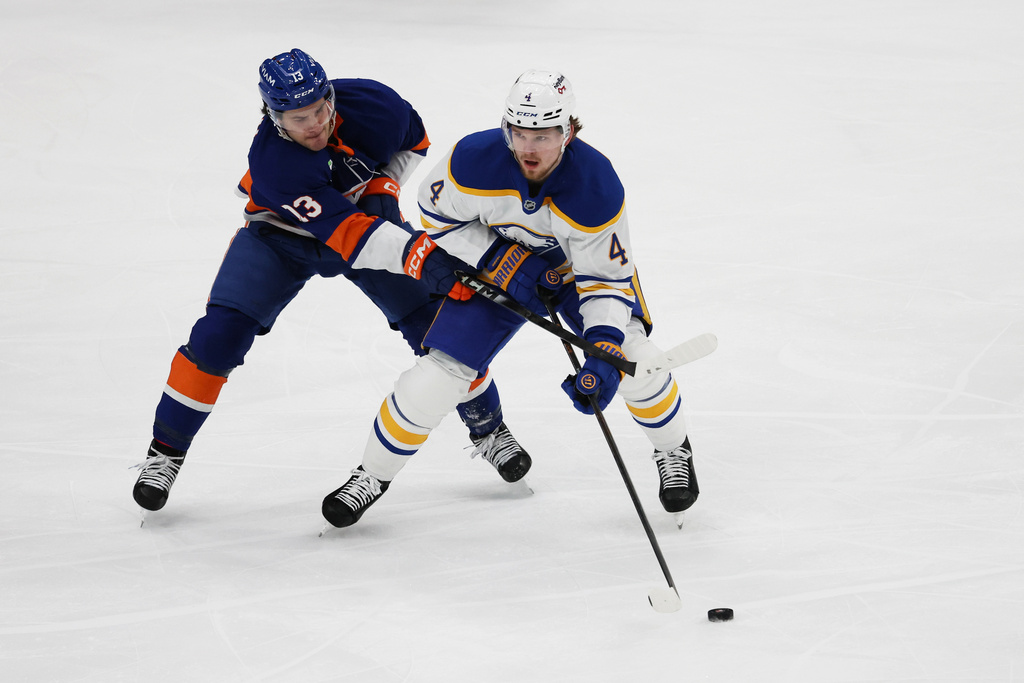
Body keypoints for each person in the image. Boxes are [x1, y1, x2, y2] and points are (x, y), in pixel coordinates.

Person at [131, 49, 532, 515]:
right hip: (280, 239)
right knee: (218, 337)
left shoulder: (373, 104)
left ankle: (489, 429)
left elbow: (414, 138)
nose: (315, 125)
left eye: (321, 109)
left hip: (363, 221)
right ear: (273, 116)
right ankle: (166, 452)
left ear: (330, 96)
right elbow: (351, 236)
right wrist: (419, 258)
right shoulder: (274, 163)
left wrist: (383, 186)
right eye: (299, 119)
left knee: (440, 329)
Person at [321, 70, 699, 529]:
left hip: (576, 274)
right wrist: (498, 259)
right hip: (495, 267)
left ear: (568, 131)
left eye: (542, 135)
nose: (528, 148)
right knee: (439, 374)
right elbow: (435, 215)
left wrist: (604, 344)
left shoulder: (596, 184)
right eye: (519, 133)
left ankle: (673, 449)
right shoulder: (472, 160)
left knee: (634, 358)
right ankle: (371, 475)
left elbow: (604, 280)